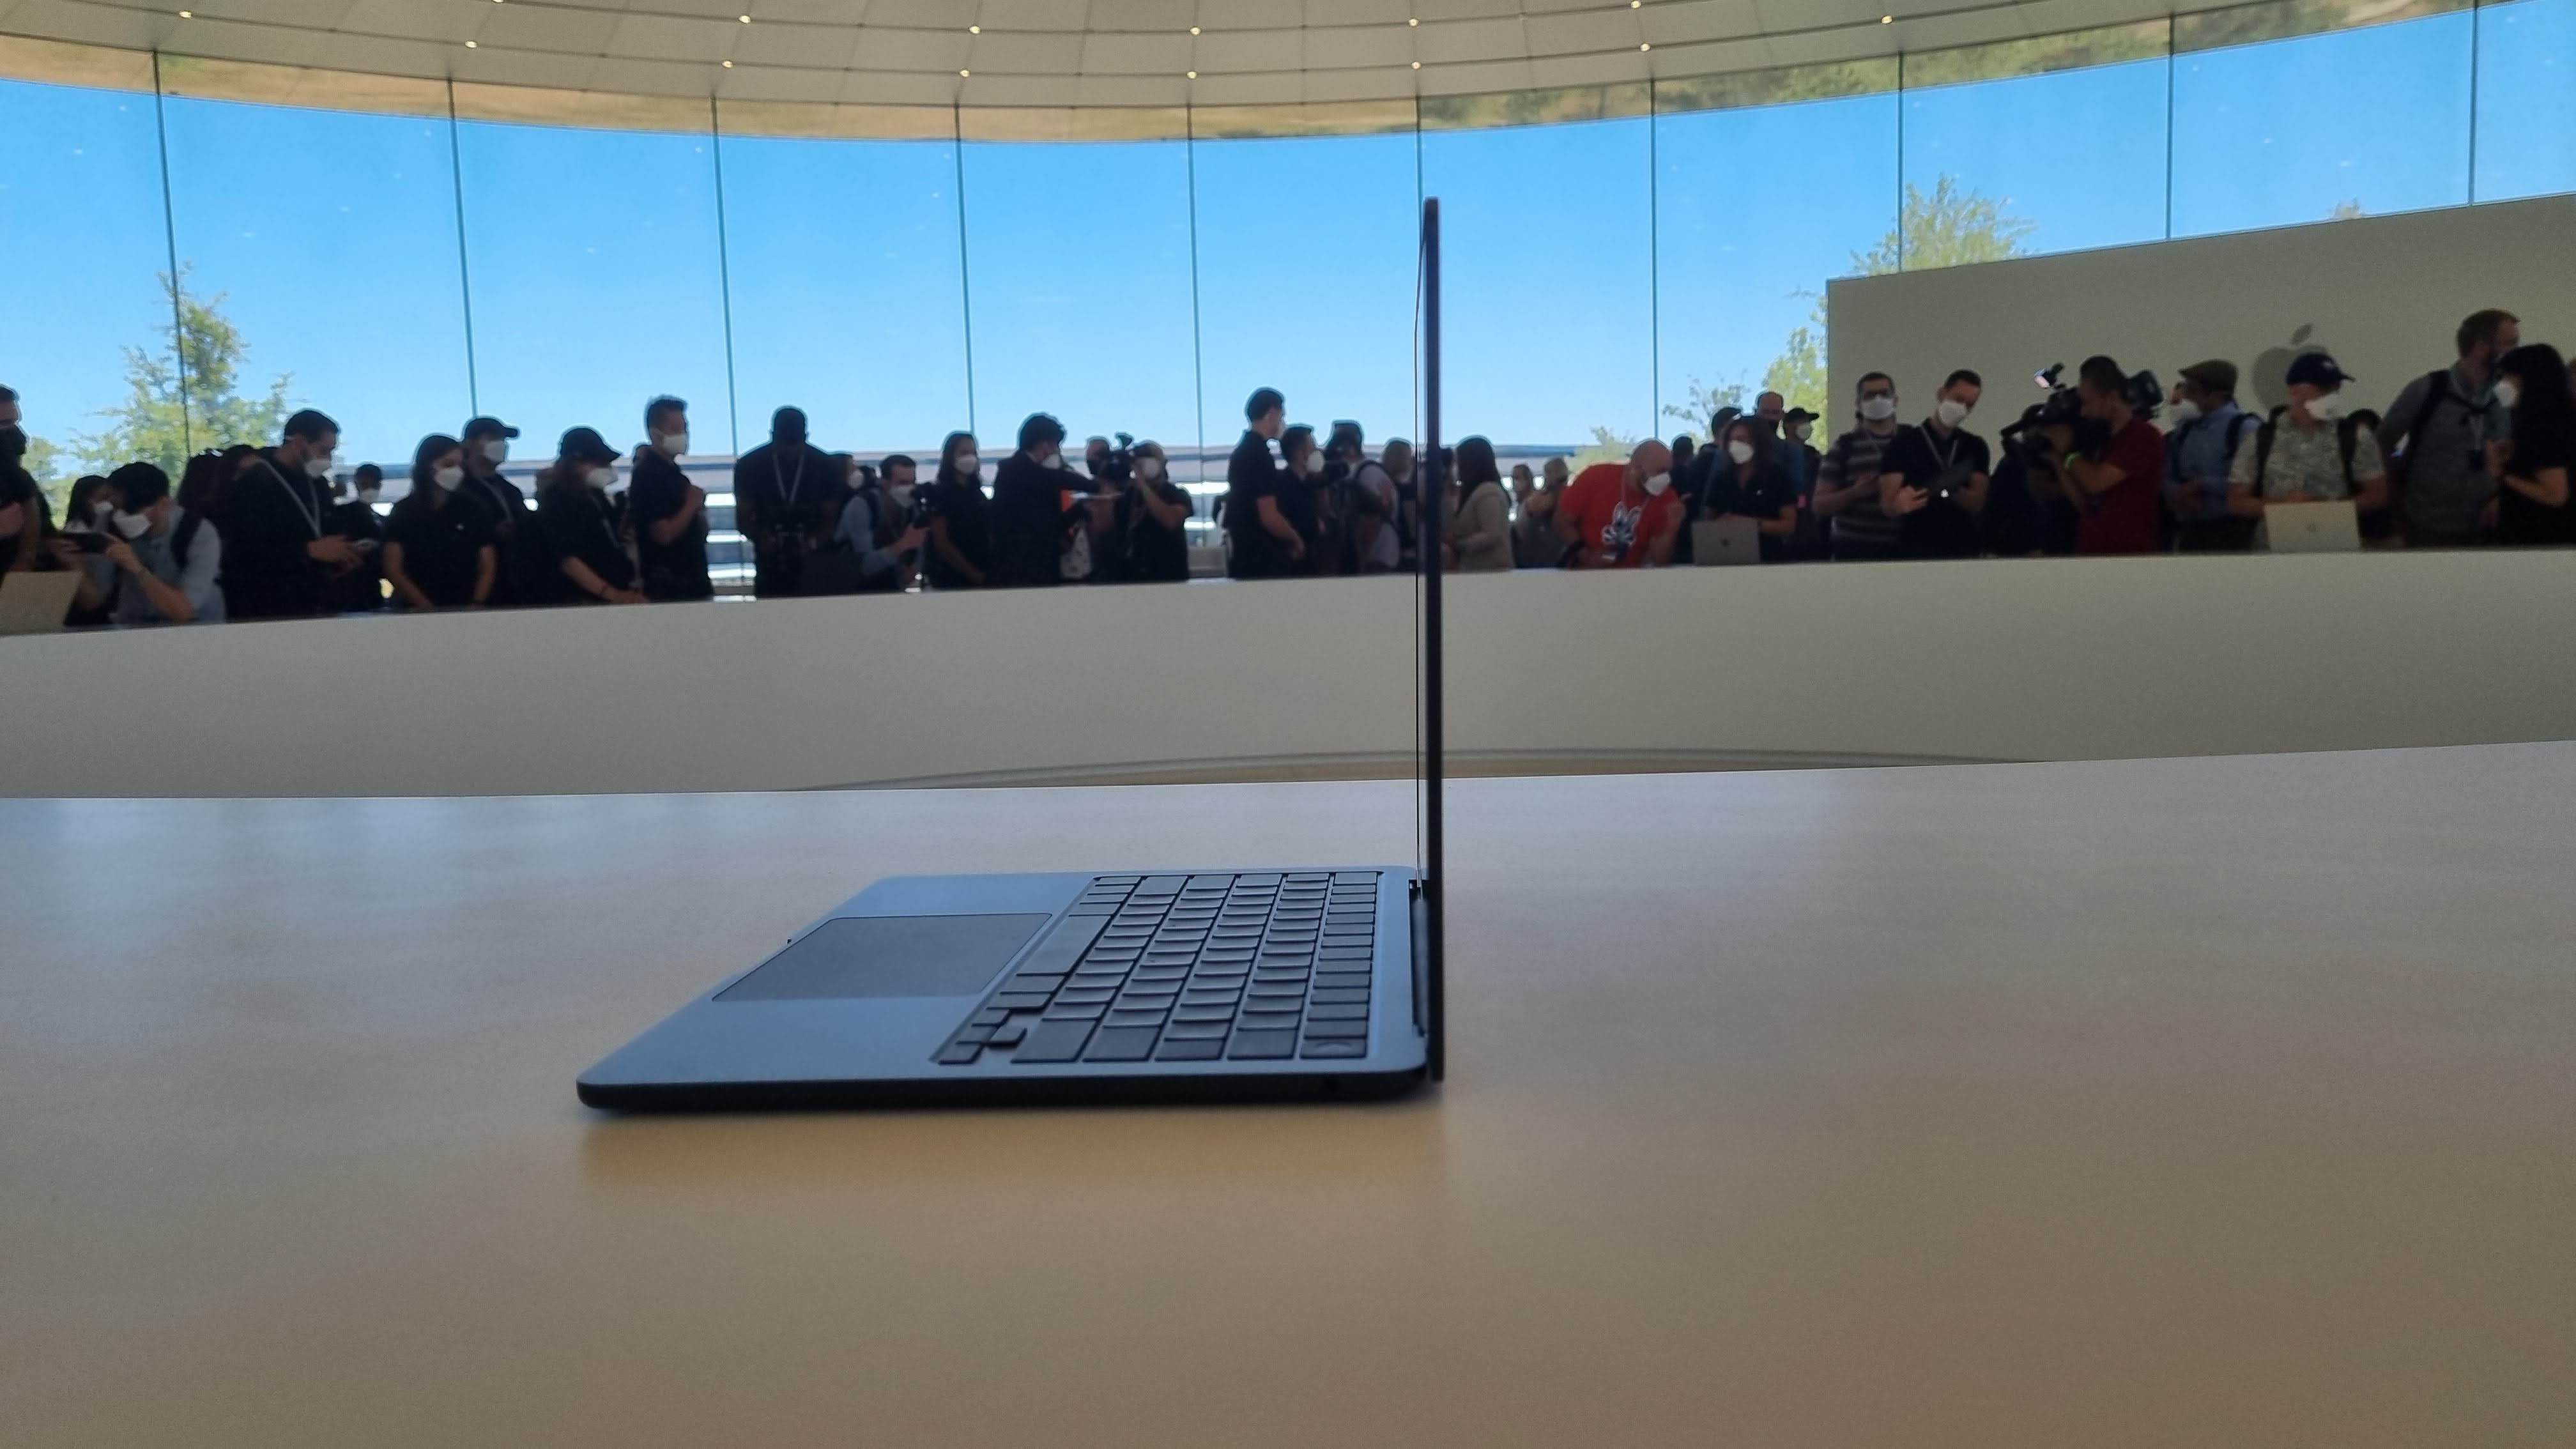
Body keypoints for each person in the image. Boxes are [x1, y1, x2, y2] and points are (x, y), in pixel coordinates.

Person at [2380, 309, 2520, 549]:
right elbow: (2381, 445)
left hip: (2490, 524)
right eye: (2509, 345)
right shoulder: (2427, 390)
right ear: (2480, 346)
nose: (2516, 354)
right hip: (2426, 524)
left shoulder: (2508, 396)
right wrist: (2395, 507)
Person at [2226, 352, 2388, 537]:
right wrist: (2284, 508)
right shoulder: (2260, 439)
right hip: (2274, 548)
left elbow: (2377, 494)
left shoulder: (2355, 436)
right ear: (2294, 391)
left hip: (2337, 544)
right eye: (2323, 388)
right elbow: (2237, 501)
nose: (2332, 395)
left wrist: (2329, 510)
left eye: (2336, 388)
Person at [224, 409, 358, 619]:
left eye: (331, 451)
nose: (328, 459)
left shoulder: (319, 485)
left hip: (317, 600)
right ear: (298, 443)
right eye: (323, 451)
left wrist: (339, 555)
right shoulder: (254, 483)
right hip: (268, 605)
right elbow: (245, 549)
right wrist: (307, 551)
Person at [67, 461, 223, 625]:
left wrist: (137, 568)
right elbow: (93, 601)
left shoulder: (197, 534)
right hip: (134, 625)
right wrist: (75, 566)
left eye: (130, 510)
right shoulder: (108, 524)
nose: (120, 517)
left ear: (164, 504)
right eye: (115, 507)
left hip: (198, 627)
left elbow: (182, 611)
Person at [2043, 356, 2167, 555]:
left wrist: (2069, 452)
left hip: (2131, 553)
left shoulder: (2143, 436)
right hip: (2093, 550)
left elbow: (2095, 481)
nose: (2083, 412)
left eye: (2087, 403)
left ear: (2111, 397)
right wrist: (2058, 460)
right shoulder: (2104, 440)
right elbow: (2086, 502)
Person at [1879, 369, 1991, 561]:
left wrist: (1950, 489)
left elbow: (1978, 502)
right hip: (1916, 545)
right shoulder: (1904, 443)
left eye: (1969, 405)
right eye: (1958, 399)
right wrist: (1899, 504)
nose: (1962, 408)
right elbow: (1888, 506)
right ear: (1941, 394)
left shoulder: (1975, 446)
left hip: (1963, 545)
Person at [382, 434, 497, 611]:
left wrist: (477, 604)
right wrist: (427, 607)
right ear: (427, 467)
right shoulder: (404, 512)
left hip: (467, 606)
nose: (456, 472)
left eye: (460, 465)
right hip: (417, 610)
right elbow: (393, 569)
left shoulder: (472, 508)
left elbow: (487, 562)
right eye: (448, 465)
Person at [734, 406, 838, 598]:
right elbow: (743, 517)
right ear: (772, 437)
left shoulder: (825, 466)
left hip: (815, 560)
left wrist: (813, 543)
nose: (790, 454)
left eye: (795, 446)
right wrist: (761, 537)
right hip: (769, 560)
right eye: (784, 447)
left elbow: (831, 519)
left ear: (806, 437)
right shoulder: (750, 465)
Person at [535, 427, 643, 605]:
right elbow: (568, 560)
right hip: (584, 602)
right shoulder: (557, 502)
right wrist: (613, 594)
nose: (607, 469)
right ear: (576, 463)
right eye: (600, 463)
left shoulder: (595, 497)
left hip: (609, 595)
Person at [2163, 360, 2260, 552]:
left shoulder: (2245, 428)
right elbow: (2168, 474)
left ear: (2217, 395)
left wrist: (2202, 484)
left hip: (2232, 530)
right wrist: (2178, 495)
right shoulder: (2184, 431)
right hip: (2190, 531)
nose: (2184, 397)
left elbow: (2254, 483)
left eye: (2192, 390)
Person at [2488, 342, 2574, 548]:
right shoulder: (2563, 417)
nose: (2503, 384)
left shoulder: (2542, 426)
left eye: (2508, 376)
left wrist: (2501, 475)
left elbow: (2556, 494)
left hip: (2539, 538)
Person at [625, 395, 710, 602]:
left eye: (685, 428)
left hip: (692, 582)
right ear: (656, 433)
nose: (684, 435)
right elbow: (663, 534)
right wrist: (690, 505)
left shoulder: (675, 476)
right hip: (670, 588)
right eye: (676, 429)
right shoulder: (649, 475)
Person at [1814, 373, 1905, 561]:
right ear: (1858, 403)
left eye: (1884, 394)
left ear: (1895, 400)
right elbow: (1819, 505)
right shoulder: (1844, 446)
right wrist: (1855, 492)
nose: (1878, 400)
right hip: (1853, 549)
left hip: (1905, 547)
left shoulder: (1912, 440)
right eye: (1870, 396)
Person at [1556, 439, 1683, 569]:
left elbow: (1659, 561)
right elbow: (1561, 521)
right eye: (1660, 471)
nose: (1666, 478)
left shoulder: (1667, 498)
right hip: (1584, 572)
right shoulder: (1596, 477)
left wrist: (1671, 529)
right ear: (1637, 467)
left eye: (1668, 471)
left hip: (1633, 576)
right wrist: (1586, 555)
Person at [990, 413, 1082, 588]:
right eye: (1056, 445)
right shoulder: (1015, 470)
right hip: (1020, 572)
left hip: (1042, 568)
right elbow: (1037, 524)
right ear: (1044, 444)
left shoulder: (1038, 476)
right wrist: (1095, 487)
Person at [1225, 387, 1303, 579]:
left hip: (1244, 554)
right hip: (1261, 559)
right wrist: (1294, 538)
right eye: (1282, 415)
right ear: (1272, 413)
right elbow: (1268, 515)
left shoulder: (1241, 453)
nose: (1282, 422)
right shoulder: (1259, 456)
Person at [457, 415, 535, 606]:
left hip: (512, 585)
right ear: (469, 444)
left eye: (503, 440)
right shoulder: (458, 489)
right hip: (470, 587)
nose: (501, 445)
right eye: (492, 438)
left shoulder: (510, 491)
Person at [1699, 415, 1800, 562]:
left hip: (1769, 559)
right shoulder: (1722, 478)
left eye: (1741, 439)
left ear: (1758, 442)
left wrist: (1748, 524)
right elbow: (1708, 522)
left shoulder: (1776, 476)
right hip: (1727, 557)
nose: (1735, 445)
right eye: (1731, 440)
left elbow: (1789, 526)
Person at [829, 452, 930, 593]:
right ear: (884, 481)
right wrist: (903, 545)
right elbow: (864, 565)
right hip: (850, 591)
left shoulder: (911, 508)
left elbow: (920, 545)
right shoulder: (862, 506)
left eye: (912, 482)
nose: (909, 489)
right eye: (902, 483)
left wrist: (913, 568)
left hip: (891, 588)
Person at [1116, 441, 1195, 583]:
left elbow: (1171, 521)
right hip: (1132, 578)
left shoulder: (1177, 494)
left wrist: (1144, 487)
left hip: (1170, 576)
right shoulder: (1127, 496)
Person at [923, 431, 993, 590]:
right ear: (951, 456)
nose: (970, 458)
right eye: (964, 452)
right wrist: (974, 574)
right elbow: (942, 543)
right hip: (951, 579)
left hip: (982, 572)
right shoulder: (940, 494)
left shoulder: (977, 494)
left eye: (973, 452)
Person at [1333, 422, 1400, 575]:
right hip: (1380, 555)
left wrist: (1362, 559)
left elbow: (1372, 519)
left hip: (1376, 557)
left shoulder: (1367, 473)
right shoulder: (1366, 471)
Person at [320, 462, 386, 612]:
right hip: (343, 589)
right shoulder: (341, 513)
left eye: (374, 485)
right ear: (356, 484)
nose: (369, 489)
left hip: (371, 591)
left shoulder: (382, 521)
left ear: (380, 485)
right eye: (364, 484)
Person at [0, 385, 50, 574]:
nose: (14, 433)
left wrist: (26, 558)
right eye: (3, 424)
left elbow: (28, 502)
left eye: (14, 423)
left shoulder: (16, 477)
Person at [1445, 436, 1513, 572]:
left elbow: (1492, 534)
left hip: (1491, 572)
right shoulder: (1475, 493)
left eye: (1458, 462)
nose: (1456, 468)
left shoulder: (1488, 493)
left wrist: (1459, 544)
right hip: (1478, 572)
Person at [1273, 425, 1326, 574]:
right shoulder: (1286, 487)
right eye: (1313, 448)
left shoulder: (1307, 485)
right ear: (1300, 454)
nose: (1318, 453)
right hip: (1293, 569)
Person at [1513, 456, 1568, 568]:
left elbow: (1534, 508)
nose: (1545, 477)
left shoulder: (1553, 495)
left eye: (1547, 473)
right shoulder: (1562, 493)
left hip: (1546, 552)